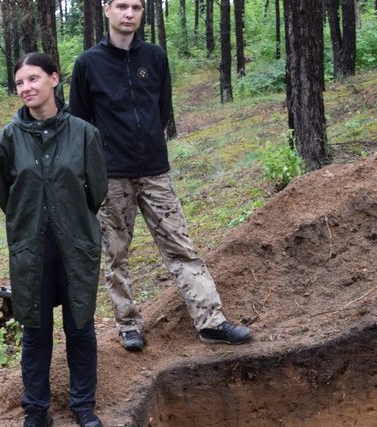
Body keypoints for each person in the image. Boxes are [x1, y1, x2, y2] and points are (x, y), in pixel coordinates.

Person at [69, 0, 251, 352]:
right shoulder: (88, 64)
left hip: (155, 173)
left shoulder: (154, 57)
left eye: (136, 7)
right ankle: (128, 325)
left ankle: (211, 322)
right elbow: (80, 123)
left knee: (182, 247)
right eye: (121, 5)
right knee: (116, 255)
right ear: (106, 9)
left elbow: (163, 108)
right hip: (112, 177)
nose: (129, 13)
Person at [0, 53, 109, 427]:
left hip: (75, 246)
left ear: (55, 80)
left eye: (33, 79)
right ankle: (35, 411)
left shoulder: (83, 134)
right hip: (31, 249)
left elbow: (97, 190)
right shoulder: (9, 138)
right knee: (35, 331)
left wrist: (69, 221)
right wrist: (34, 223)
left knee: (80, 326)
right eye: (20, 82)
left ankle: (83, 404)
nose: (26, 88)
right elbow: (6, 195)